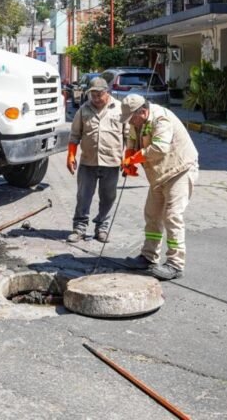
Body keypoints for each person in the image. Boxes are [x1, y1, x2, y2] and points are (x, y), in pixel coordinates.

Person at [120, 93, 199, 280]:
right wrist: (128, 159)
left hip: (180, 170)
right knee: (152, 214)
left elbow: (159, 148)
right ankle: (148, 257)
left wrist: (135, 158)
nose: (130, 122)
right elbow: (132, 140)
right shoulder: (136, 121)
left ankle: (175, 264)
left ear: (143, 111)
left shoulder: (162, 119)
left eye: (132, 118)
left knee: (172, 216)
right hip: (159, 174)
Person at [65, 77, 129, 243]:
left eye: (99, 95)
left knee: (108, 197)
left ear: (107, 92)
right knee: (83, 197)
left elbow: (129, 136)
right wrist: (71, 155)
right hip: (88, 162)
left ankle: (102, 228)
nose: (95, 98)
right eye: (92, 95)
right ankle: (79, 228)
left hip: (112, 162)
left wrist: (128, 158)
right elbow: (74, 136)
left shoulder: (120, 109)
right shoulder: (83, 110)